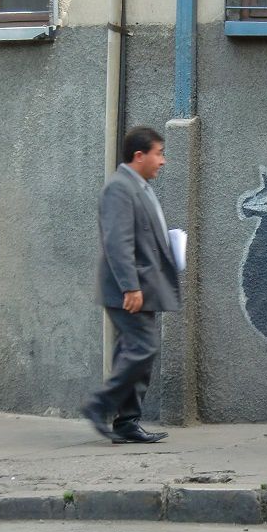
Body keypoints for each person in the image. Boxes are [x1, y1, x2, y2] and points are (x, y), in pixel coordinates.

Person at [81, 127, 181, 443]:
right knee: (143, 347)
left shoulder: (140, 187)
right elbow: (118, 242)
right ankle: (99, 405)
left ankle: (126, 422)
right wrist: (130, 287)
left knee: (133, 349)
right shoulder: (119, 189)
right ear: (139, 156)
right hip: (129, 290)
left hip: (144, 287)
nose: (162, 161)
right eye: (159, 153)